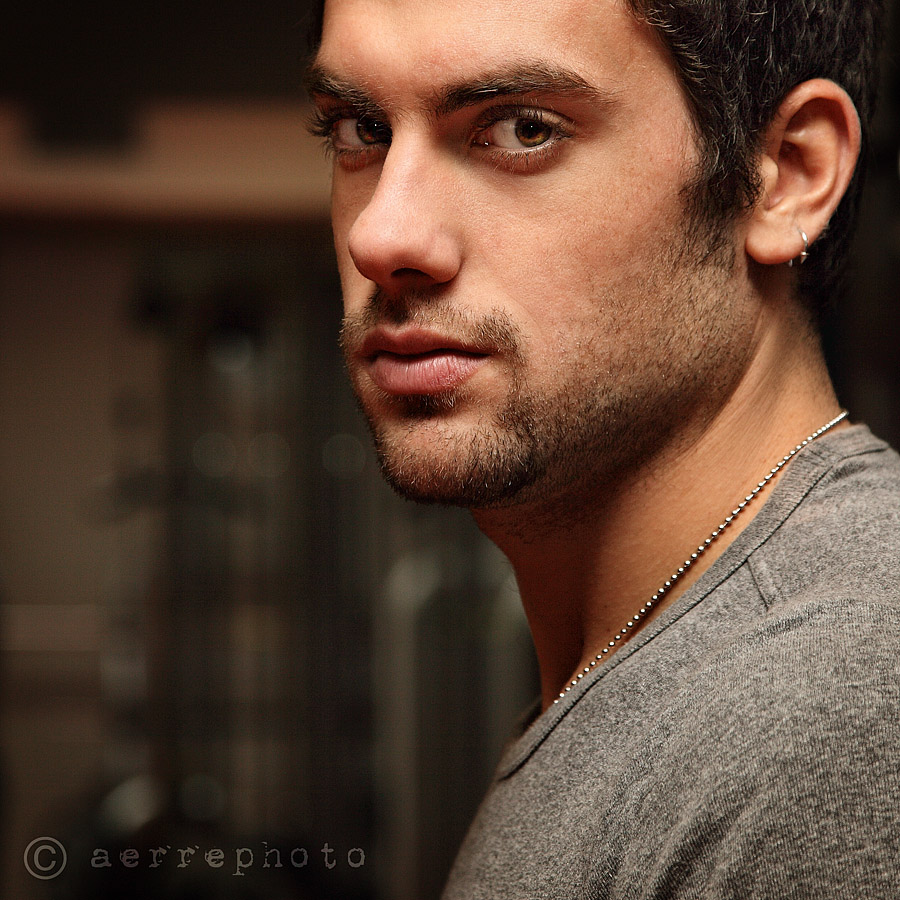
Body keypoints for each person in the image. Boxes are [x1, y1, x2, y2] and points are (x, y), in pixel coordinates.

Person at [305, 0, 899, 895]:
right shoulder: (677, 675)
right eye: (362, 130)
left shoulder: (835, 715)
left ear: (786, 176)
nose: (381, 237)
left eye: (523, 129)